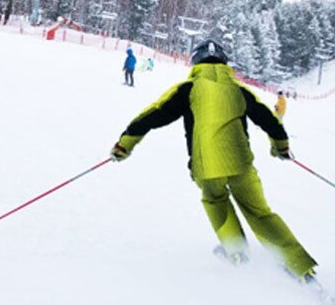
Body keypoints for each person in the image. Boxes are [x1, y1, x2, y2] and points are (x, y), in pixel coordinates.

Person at [108, 39, 318, 282]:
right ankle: (300, 267)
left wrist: (125, 145)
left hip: (206, 167)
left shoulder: (188, 88)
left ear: (195, 61)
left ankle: (237, 255)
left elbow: (152, 116)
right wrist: (281, 148)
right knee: (260, 213)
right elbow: (270, 120)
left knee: (216, 202)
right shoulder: (240, 90)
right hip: (241, 165)